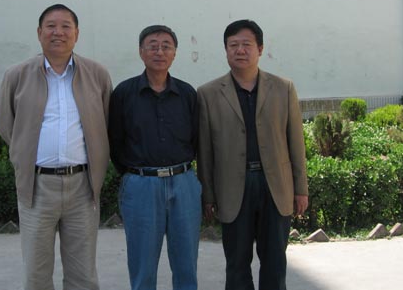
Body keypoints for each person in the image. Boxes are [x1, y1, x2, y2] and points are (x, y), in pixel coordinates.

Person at [0, 4, 112, 290]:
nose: (58, 32)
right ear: (39, 33)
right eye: (50, 26)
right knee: (36, 274)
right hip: (37, 187)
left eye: (65, 26)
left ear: (76, 34)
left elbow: (106, 122)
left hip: (82, 187)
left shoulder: (97, 74)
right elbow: (7, 127)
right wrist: (26, 154)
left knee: (83, 275)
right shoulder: (17, 75)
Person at [197, 19, 308, 290]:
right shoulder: (208, 94)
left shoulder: (283, 88)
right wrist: (208, 195)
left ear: (260, 49)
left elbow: (296, 143)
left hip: (275, 186)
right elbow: (205, 151)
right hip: (233, 188)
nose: (240, 50)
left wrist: (300, 189)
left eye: (246, 44)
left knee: (275, 262)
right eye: (233, 45)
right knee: (236, 263)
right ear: (226, 50)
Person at [109, 25, 201, 290]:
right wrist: (135, 175)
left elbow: (197, 139)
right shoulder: (124, 93)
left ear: (174, 53)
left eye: (166, 46)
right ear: (141, 52)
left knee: (186, 265)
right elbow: (115, 141)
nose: (159, 52)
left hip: (183, 183)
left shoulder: (187, 94)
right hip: (141, 185)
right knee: (143, 267)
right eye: (152, 46)